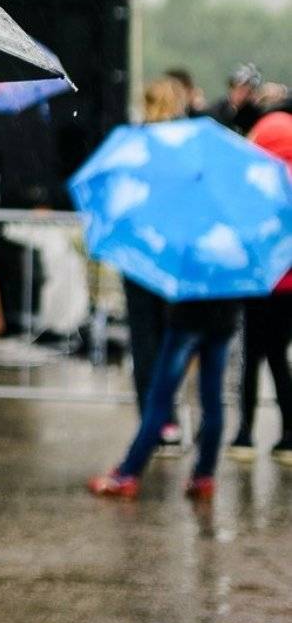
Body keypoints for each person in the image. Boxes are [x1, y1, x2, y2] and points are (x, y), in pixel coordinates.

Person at [88, 297, 239, 501]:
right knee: (212, 400)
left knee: (159, 399)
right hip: (223, 318)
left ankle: (128, 472)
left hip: (188, 318)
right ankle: (204, 475)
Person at [121, 78, 191, 453]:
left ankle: (150, 419)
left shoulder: (131, 145)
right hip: (172, 253)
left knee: (143, 339)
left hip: (135, 252)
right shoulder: (183, 148)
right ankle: (169, 417)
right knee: (169, 338)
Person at [228, 111, 292, 463]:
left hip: (257, 284)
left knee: (251, 357)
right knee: (279, 357)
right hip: (289, 289)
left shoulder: (254, 183)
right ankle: (289, 436)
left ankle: (245, 434)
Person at [211, 62, 265, 135]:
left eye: (248, 92)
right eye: (239, 90)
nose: (242, 95)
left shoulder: (257, 114)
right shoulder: (217, 110)